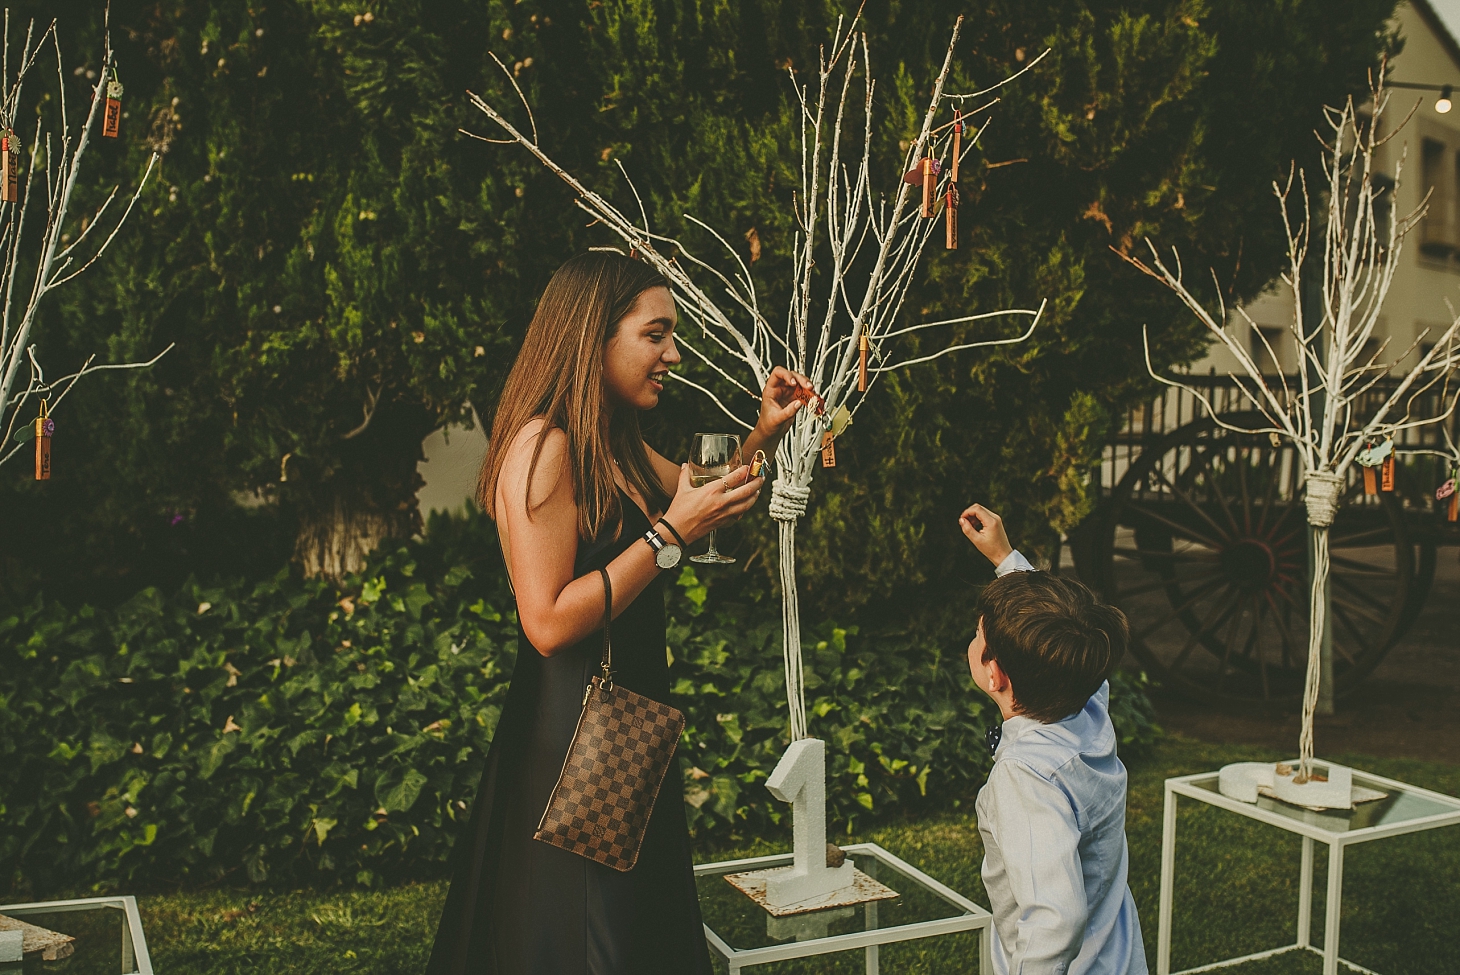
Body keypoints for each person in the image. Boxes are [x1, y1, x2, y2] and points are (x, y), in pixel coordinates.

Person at [426, 251, 813, 975]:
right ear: (593, 337)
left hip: (627, 725)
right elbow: (545, 622)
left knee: (635, 928)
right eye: (655, 334)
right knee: (587, 936)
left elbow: (701, 490)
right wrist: (668, 538)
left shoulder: (614, 439)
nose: (672, 353)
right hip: (576, 737)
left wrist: (765, 430)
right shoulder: (543, 448)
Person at [958, 503, 1149, 975]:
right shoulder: (1085, 703)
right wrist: (1006, 560)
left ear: (994, 673)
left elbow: (1054, 920)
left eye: (978, 635)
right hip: (1119, 957)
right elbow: (1061, 637)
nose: (974, 637)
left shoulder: (1025, 776)